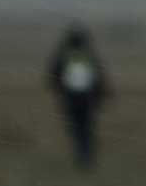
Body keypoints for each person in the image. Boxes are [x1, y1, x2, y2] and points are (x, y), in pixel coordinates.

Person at [43, 24, 110, 172]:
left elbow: (52, 76)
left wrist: (60, 92)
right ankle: (87, 155)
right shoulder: (89, 56)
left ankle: (81, 155)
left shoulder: (63, 56)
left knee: (76, 129)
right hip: (87, 99)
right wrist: (101, 96)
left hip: (70, 98)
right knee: (87, 128)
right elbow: (99, 78)